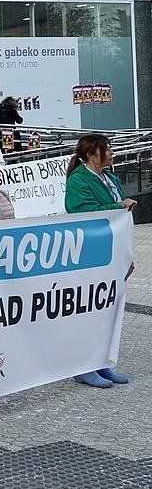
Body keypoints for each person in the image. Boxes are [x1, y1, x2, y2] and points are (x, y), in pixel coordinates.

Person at [64, 133, 137, 388]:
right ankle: (83, 366)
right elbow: (81, 211)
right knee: (90, 311)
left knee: (109, 311)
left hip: (114, 251)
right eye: (107, 149)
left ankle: (102, 362)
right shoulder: (78, 180)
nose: (112, 152)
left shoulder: (111, 178)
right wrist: (118, 206)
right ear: (92, 154)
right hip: (91, 253)